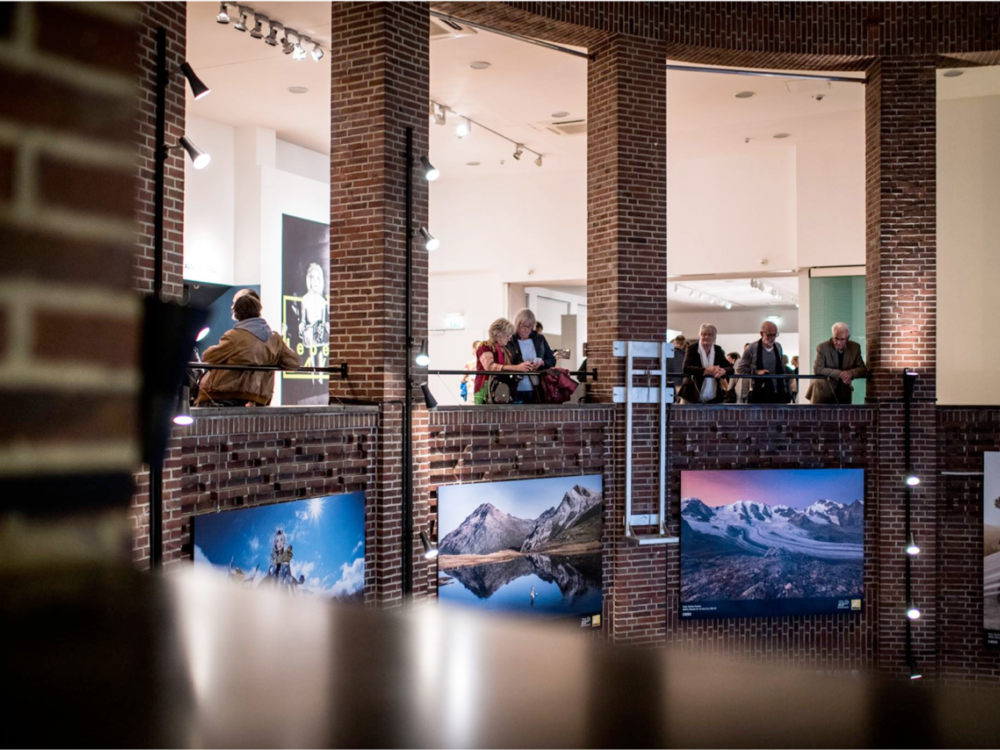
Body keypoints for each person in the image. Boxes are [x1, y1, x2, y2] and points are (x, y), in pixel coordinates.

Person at [196, 292, 299, 406]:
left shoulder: (234, 336)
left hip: (225, 395)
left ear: (237, 313)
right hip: (259, 398)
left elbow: (207, 356)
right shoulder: (275, 339)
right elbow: (293, 363)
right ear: (258, 311)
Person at [473, 318, 533, 404]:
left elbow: (509, 369)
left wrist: (522, 370)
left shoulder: (505, 350)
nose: (509, 339)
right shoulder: (484, 346)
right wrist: (516, 368)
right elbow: (490, 366)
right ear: (499, 334)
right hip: (485, 389)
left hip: (502, 390)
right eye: (507, 336)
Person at [806, 322, 868, 405]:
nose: (838, 342)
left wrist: (850, 373)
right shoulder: (823, 347)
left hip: (843, 391)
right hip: (822, 391)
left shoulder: (855, 347)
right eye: (836, 338)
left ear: (847, 338)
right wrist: (840, 373)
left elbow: (862, 369)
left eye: (842, 339)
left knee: (843, 417)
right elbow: (818, 369)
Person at [736, 320, 791, 404]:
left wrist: (785, 387)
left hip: (778, 391)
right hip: (759, 390)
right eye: (769, 335)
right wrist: (756, 372)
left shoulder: (778, 347)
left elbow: (781, 368)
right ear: (762, 334)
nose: (772, 338)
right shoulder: (751, 348)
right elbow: (740, 369)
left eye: (775, 335)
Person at [508, 308, 556, 404]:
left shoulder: (539, 339)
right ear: (517, 324)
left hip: (536, 387)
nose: (526, 329)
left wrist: (542, 363)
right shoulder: (510, 340)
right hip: (515, 387)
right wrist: (519, 367)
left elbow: (552, 360)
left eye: (530, 326)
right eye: (523, 326)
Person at [678, 324, 733, 404]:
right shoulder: (692, 348)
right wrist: (706, 370)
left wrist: (723, 371)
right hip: (691, 393)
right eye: (703, 334)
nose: (706, 337)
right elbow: (686, 368)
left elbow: (731, 368)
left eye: (709, 334)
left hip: (713, 395)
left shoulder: (718, 349)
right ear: (700, 336)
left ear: (714, 337)